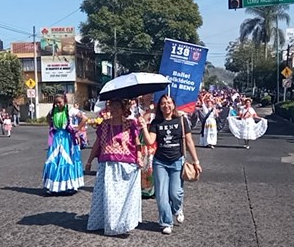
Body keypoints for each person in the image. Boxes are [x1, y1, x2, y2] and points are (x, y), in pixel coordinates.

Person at [138, 95, 202, 235]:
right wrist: (144, 126)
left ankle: (177, 209)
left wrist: (196, 161)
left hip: (177, 160)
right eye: (162, 103)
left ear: (173, 105)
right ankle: (166, 222)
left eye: (168, 103)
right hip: (160, 162)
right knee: (161, 195)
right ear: (159, 107)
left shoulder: (181, 120)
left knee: (175, 193)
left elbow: (190, 142)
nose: (166, 105)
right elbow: (149, 141)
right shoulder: (156, 122)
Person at [85, 99, 144, 236]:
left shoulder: (130, 124)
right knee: (109, 197)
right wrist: (89, 161)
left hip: (126, 164)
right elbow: (97, 144)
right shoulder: (104, 125)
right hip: (107, 165)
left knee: (123, 197)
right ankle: (109, 223)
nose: (115, 109)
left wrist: (139, 157)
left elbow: (137, 143)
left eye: (118, 106)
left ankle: (123, 223)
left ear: (124, 109)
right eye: (113, 106)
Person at [42, 94, 85, 193]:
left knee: (66, 160)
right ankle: (54, 186)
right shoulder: (53, 110)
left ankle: (68, 186)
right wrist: (52, 125)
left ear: (64, 101)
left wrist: (77, 129)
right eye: (56, 102)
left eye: (59, 102)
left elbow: (84, 118)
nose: (57, 104)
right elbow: (48, 117)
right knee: (54, 160)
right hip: (57, 138)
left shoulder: (70, 110)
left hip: (67, 138)